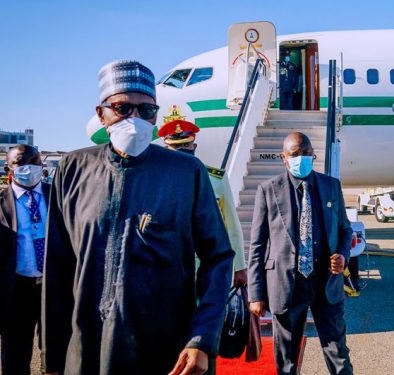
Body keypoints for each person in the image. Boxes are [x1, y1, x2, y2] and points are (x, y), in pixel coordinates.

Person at [42, 60, 234, 375]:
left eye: (146, 111)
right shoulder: (72, 170)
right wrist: (52, 357)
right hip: (89, 347)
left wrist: (202, 339)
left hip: (168, 352)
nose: (135, 118)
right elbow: (58, 268)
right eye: (122, 108)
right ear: (101, 112)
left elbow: (218, 256)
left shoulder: (186, 173)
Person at [247, 132, 353, 375]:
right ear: (284, 158)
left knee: (338, 354)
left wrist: (342, 255)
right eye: (295, 154)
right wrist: (256, 294)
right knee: (287, 359)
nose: (302, 158)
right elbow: (257, 246)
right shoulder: (268, 190)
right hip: (287, 286)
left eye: (306, 153)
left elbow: (344, 229)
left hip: (325, 283)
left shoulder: (331, 186)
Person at [158, 119, 248, 287]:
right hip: (167, 264)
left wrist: (239, 266)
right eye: (176, 148)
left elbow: (230, 225)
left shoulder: (216, 180)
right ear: (166, 149)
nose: (182, 151)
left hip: (206, 264)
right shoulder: (156, 181)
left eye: (186, 146)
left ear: (194, 146)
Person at [0, 145, 50, 375]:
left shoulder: (60, 196)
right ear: (8, 168)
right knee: (16, 352)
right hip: (16, 286)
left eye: (34, 161)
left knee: (56, 351)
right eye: (21, 162)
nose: (29, 167)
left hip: (54, 285)